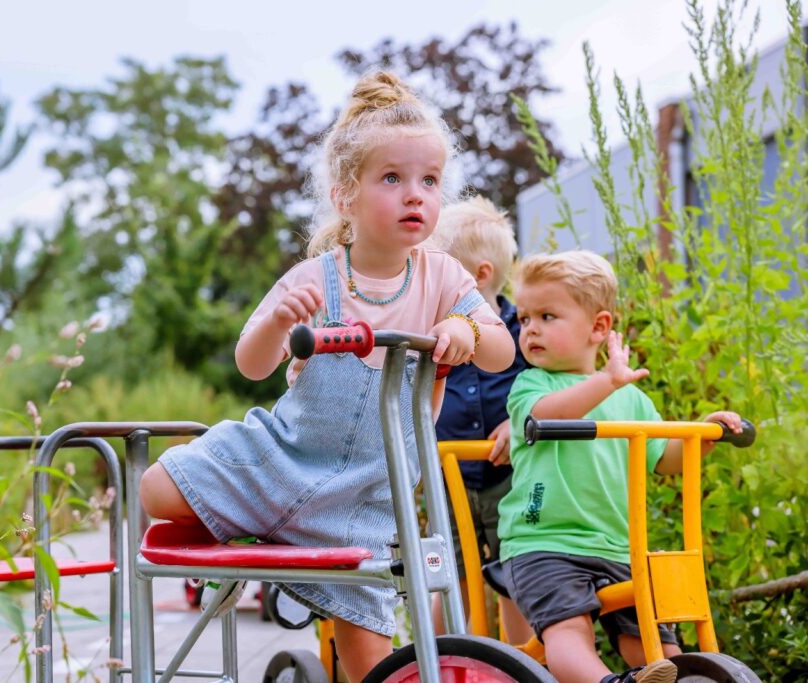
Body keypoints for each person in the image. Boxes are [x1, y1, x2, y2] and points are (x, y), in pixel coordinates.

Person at [139, 71, 515, 682]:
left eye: (429, 181)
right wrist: (276, 326)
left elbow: (502, 350)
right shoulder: (319, 278)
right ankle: (256, 535)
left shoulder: (443, 278)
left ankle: (292, 557)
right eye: (391, 179)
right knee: (156, 489)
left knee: (373, 662)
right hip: (281, 460)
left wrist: (468, 333)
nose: (414, 195)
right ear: (345, 195)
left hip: (369, 496)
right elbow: (251, 364)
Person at [497, 251, 745, 683]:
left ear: (598, 327)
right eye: (524, 318)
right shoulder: (532, 385)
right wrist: (606, 381)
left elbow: (664, 460)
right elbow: (548, 415)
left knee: (658, 647)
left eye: (547, 316)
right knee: (567, 630)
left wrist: (701, 437)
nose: (531, 328)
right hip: (543, 543)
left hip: (617, 547)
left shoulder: (630, 399)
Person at [427, 196, 532, 644]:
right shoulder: (431, 330)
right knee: (451, 571)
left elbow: (545, 387)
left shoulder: (522, 332)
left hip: (508, 475)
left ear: (480, 275)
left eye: (441, 270)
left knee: (511, 574)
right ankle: (436, 663)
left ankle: (521, 664)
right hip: (449, 477)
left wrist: (519, 421)